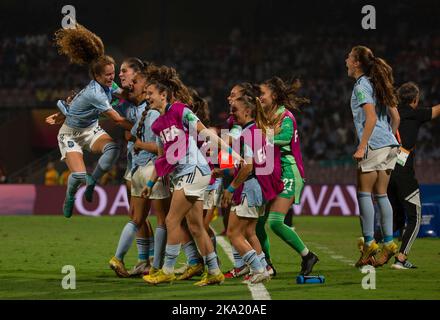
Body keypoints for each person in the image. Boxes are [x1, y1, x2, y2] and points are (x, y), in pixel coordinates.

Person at [141, 66, 239, 286]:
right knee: (195, 226)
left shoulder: (180, 110)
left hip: (194, 171)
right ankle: (214, 271)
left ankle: (167, 269)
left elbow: (204, 132)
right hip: (185, 174)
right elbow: (162, 158)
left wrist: (230, 152)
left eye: (150, 93)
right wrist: (150, 183)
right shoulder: (158, 125)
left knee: (171, 220)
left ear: (163, 95)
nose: (147, 97)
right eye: (146, 94)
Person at [45, 24, 133, 218]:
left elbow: (123, 94)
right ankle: (70, 197)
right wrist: (139, 126)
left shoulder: (107, 85)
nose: (112, 77)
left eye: (113, 72)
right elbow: (117, 120)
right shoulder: (96, 94)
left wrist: (138, 92)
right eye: (108, 75)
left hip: (91, 129)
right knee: (77, 176)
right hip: (70, 134)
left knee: (113, 150)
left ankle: (92, 181)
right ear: (96, 76)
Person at [109, 70, 170, 277]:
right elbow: (157, 148)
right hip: (153, 170)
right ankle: (156, 266)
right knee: (163, 220)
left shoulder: (141, 115)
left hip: (136, 171)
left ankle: (118, 257)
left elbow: (130, 137)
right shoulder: (154, 114)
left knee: (136, 218)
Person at [345, 45, 401, 267]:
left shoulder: (362, 86)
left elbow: (370, 118)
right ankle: (388, 243)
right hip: (389, 144)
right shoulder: (378, 84)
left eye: (349, 57)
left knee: (364, 194)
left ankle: (369, 243)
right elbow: (395, 117)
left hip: (374, 144)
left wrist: (362, 146)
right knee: (381, 194)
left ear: (357, 63)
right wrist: (392, 136)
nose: (346, 61)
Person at [258, 76, 319, 276]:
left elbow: (284, 139)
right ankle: (267, 265)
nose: (259, 97)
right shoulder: (265, 117)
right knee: (258, 223)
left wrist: (261, 136)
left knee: (275, 222)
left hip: (288, 172)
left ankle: (307, 255)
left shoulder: (285, 116)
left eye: (262, 93)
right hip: (270, 173)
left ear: (274, 95)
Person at [221, 95, 284, 284]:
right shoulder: (258, 131)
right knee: (250, 232)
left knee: (233, 233)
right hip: (259, 188)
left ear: (247, 111)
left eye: (235, 110)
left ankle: (257, 269)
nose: (232, 114)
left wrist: (231, 188)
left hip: (251, 186)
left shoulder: (249, 134)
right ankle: (264, 267)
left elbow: (248, 166)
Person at [387, 82, 440, 269]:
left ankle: (370, 249)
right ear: (415, 100)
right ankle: (401, 259)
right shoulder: (415, 113)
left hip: (386, 173)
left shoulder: (391, 114)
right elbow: (435, 111)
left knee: (395, 219)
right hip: (404, 174)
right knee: (415, 217)